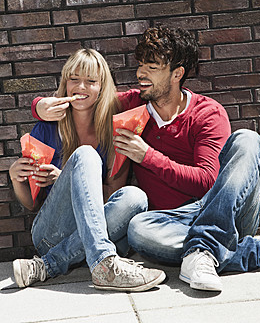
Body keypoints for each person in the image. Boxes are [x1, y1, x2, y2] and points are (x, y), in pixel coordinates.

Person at [31, 27, 260, 292]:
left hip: (222, 213)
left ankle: (206, 246)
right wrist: (39, 106)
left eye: (152, 67)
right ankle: (235, 252)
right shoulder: (131, 104)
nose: (141, 73)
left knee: (247, 139)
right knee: (138, 229)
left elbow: (208, 182)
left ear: (177, 74)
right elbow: (88, 95)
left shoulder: (208, 113)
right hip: (169, 224)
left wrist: (147, 156)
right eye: (141, 64)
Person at [10, 49, 166, 292]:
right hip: (51, 234)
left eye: (91, 81)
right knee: (85, 154)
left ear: (101, 87)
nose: (80, 86)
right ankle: (103, 262)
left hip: (90, 234)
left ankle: (47, 266)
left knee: (136, 198)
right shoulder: (46, 128)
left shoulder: (115, 131)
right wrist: (16, 178)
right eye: (74, 79)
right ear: (65, 83)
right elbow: (31, 203)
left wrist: (68, 178)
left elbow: (113, 194)